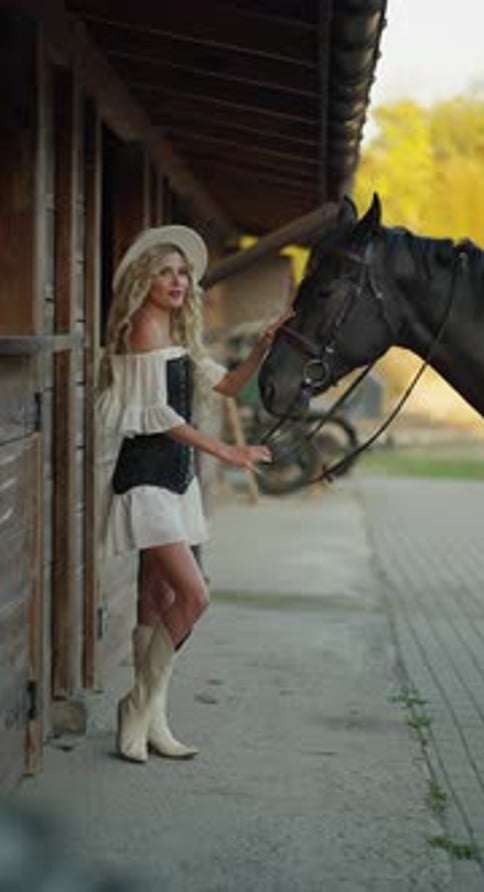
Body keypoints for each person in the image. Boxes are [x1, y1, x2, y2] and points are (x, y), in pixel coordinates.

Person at [96, 224, 288, 764]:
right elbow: (160, 418)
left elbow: (226, 384)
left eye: (183, 272)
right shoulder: (142, 328)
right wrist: (228, 452)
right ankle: (136, 705)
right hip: (147, 479)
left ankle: (153, 720)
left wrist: (261, 347)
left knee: (156, 599)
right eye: (165, 272)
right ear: (144, 279)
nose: (178, 281)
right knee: (195, 595)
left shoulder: (177, 330)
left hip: (176, 482)